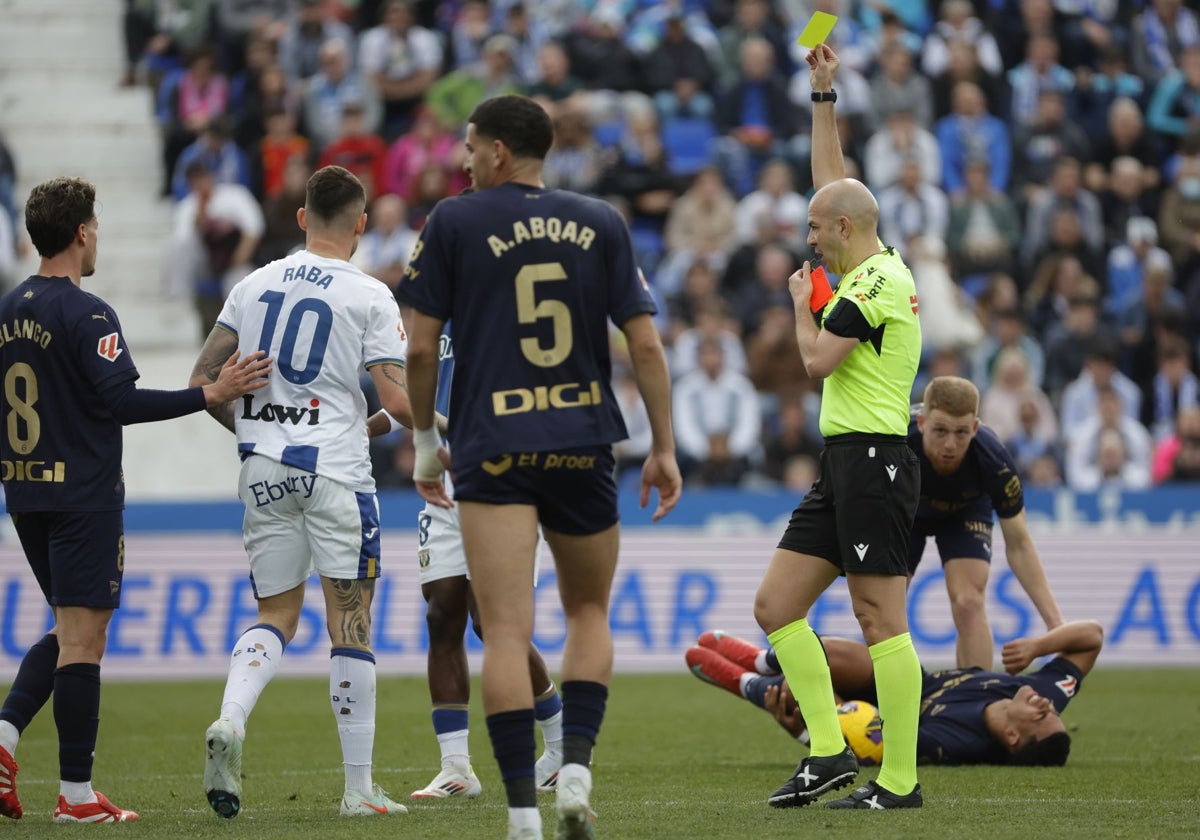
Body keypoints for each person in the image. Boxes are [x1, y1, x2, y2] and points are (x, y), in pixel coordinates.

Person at [396, 95, 682, 840]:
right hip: (583, 438)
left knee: (507, 627)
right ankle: (577, 772)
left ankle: (522, 813)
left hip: (494, 446)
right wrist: (663, 446)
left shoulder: (453, 220)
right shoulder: (602, 221)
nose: (463, 160)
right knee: (588, 612)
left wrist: (426, 440)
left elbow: (420, 349)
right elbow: (645, 346)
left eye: (468, 148)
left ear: (495, 151)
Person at [0, 176, 270, 823]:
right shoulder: (87, 313)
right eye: (97, 225)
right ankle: (76, 797)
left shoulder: (10, 308)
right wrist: (208, 393)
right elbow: (121, 401)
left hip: (26, 489)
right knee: (84, 640)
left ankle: (6, 745)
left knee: (69, 631)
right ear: (82, 232)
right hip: (82, 494)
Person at [188, 165, 412, 820]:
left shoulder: (252, 285)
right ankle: (360, 788)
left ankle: (230, 720)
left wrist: (255, 431)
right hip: (337, 475)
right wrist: (451, 431)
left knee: (275, 616)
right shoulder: (370, 294)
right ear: (362, 225)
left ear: (300, 217)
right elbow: (396, 400)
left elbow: (205, 380)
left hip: (264, 470)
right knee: (351, 622)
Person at [752, 44, 924, 812]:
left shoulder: (874, 285)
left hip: (876, 460)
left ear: (846, 229)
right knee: (777, 608)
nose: (809, 238)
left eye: (818, 230)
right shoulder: (869, 260)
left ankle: (900, 780)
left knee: (880, 616)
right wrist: (823, 95)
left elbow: (819, 361)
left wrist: (797, 305)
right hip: (845, 458)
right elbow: (834, 181)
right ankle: (827, 753)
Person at [402, 324, 565, 801]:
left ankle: (558, 746)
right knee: (441, 616)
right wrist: (371, 422)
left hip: (504, 482)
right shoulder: (436, 318)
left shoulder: (513, 309)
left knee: (494, 626)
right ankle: (455, 768)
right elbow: (418, 392)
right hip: (443, 484)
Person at [685, 618, 1104, 765]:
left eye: (1043, 717)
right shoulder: (1038, 689)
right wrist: (1037, 647)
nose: (1047, 705)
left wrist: (805, 729)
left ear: (1013, 738)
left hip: (880, 712)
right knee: (829, 651)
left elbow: (872, 745)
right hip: (908, 681)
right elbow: (1092, 637)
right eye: (1054, 711)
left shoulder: (956, 745)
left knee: (809, 698)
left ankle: (749, 684)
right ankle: (761, 660)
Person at [910, 376, 1064, 669]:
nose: (950, 445)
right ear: (921, 423)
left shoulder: (994, 461)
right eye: (940, 431)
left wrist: (1055, 623)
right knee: (887, 611)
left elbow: (1019, 544)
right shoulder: (894, 441)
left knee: (969, 602)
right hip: (905, 511)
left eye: (961, 433)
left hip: (964, 510)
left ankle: (974, 700)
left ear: (976, 428)